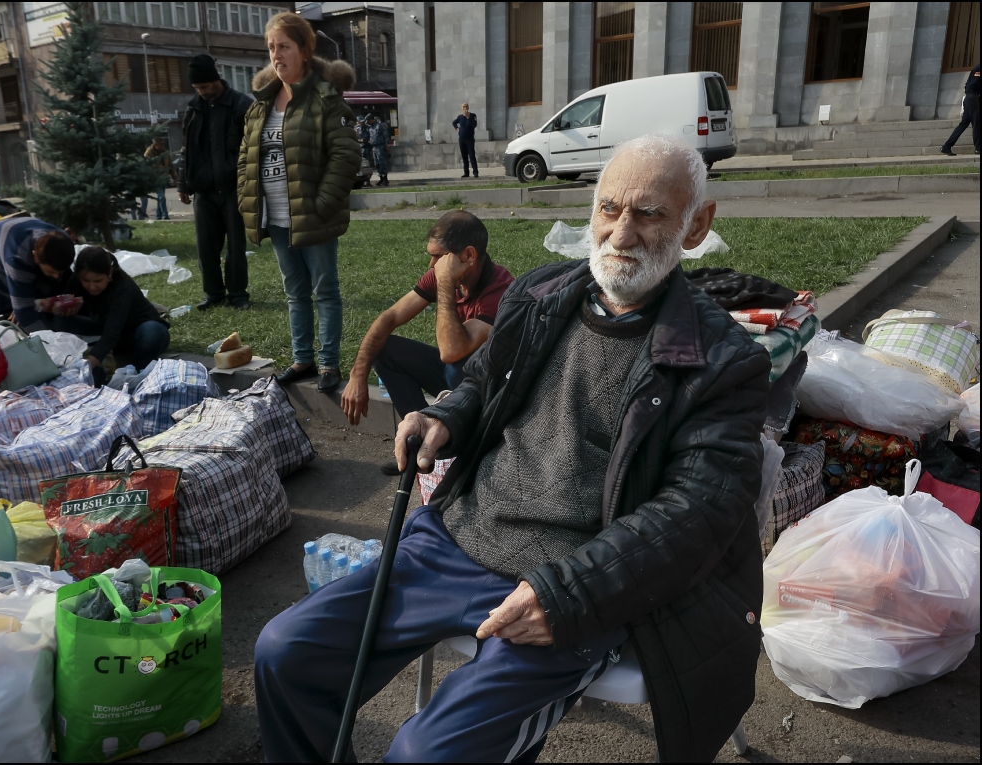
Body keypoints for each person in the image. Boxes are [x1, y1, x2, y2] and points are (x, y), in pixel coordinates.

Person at [255, 134, 772, 762]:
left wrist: (570, 594)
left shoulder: (723, 361)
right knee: (285, 652)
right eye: (609, 208)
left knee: (427, 755)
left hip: (576, 582)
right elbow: (481, 381)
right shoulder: (541, 295)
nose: (622, 234)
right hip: (459, 536)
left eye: (650, 214)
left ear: (697, 226)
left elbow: (699, 513)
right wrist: (447, 414)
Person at [238, 11, 360, 393]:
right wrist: (248, 198)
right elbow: (245, 157)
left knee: (324, 290)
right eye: (271, 48)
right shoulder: (261, 105)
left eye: (284, 47)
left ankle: (327, 364)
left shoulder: (325, 99)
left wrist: (322, 202)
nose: (277, 55)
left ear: (305, 51)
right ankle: (302, 358)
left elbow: (346, 156)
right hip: (275, 216)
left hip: (313, 215)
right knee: (294, 292)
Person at [340, 210, 514, 473]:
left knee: (457, 366)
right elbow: (389, 317)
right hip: (457, 374)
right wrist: (357, 375)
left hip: (486, 390)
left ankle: (461, 454)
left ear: (468, 255)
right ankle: (418, 442)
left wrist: (445, 282)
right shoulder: (442, 274)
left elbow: (451, 351)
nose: (432, 266)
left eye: (438, 257)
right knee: (385, 349)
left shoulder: (500, 289)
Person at [178, 54, 254, 311]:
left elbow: (254, 149)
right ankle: (213, 293)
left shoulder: (241, 105)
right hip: (203, 190)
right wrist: (182, 184)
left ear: (216, 80)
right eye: (198, 88)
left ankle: (237, 294)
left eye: (206, 87)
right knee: (206, 248)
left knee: (235, 245)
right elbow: (186, 149)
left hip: (234, 188)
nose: (203, 92)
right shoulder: (193, 108)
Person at [66, 246, 171, 381]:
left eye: (98, 281)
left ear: (109, 273)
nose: (91, 287)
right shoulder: (76, 280)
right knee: (61, 320)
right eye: (86, 281)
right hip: (104, 329)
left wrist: (85, 367)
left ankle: (138, 374)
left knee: (152, 332)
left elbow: (112, 331)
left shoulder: (122, 287)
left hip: (134, 332)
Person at [941, 64, 980, 156]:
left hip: (970, 98)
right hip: (972, 98)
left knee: (963, 124)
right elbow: (972, 84)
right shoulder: (979, 68)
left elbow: (968, 85)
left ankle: (947, 146)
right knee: (977, 123)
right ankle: (978, 148)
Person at [138, 137, 176, 221]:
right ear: (155, 144)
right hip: (155, 178)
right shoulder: (149, 153)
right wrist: (157, 166)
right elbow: (146, 165)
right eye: (160, 144)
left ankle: (158, 216)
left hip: (164, 177)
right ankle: (165, 216)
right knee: (161, 197)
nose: (162, 146)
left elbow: (171, 165)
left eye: (163, 144)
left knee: (160, 198)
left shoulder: (165, 153)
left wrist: (175, 178)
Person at [453, 102, 479, 178]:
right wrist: (457, 128)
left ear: (468, 108)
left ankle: (475, 172)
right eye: (463, 107)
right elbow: (454, 123)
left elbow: (474, 125)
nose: (465, 108)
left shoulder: (473, 116)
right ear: (462, 109)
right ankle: (466, 172)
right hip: (462, 138)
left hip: (470, 138)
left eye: (466, 107)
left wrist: (468, 118)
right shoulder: (460, 117)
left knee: (472, 155)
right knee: (464, 156)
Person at [367, 113, 391, 187]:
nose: (368, 122)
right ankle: (381, 178)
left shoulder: (380, 125)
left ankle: (385, 179)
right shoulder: (371, 127)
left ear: (372, 119)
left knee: (382, 163)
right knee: (377, 164)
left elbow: (386, 135)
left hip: (381, 146)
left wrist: (387, 145)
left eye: (368, 121)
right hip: (374, 147)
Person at [355, 114, 373, 187]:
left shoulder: (368, 128)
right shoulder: (356, 129)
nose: (362, 123)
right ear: (358, 122)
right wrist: (360, 140)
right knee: (360, 166)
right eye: (360, 122)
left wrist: (367, 140)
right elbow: (355, 138)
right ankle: (362, 180)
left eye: (363, 122)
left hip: (367, 148)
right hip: (360, 148)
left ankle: (368, 181)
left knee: (368, 166)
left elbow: (372, 136)